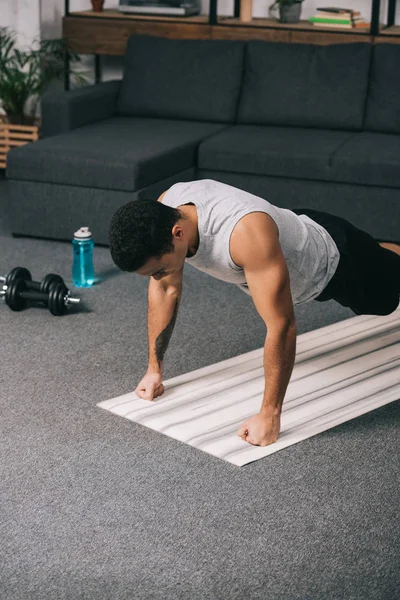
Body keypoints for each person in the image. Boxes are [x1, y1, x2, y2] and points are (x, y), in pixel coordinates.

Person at [108, 179, 400, 448]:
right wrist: (154, 369)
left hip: (332, 262)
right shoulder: (168, 207)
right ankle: (378, 253)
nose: (158, 278)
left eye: (158, 269)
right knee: (376, 257)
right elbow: (165, 291)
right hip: (288, 234)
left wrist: (269, 415)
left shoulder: (244, 233)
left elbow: (282, 325)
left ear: (178, 233)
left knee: (384, 300)